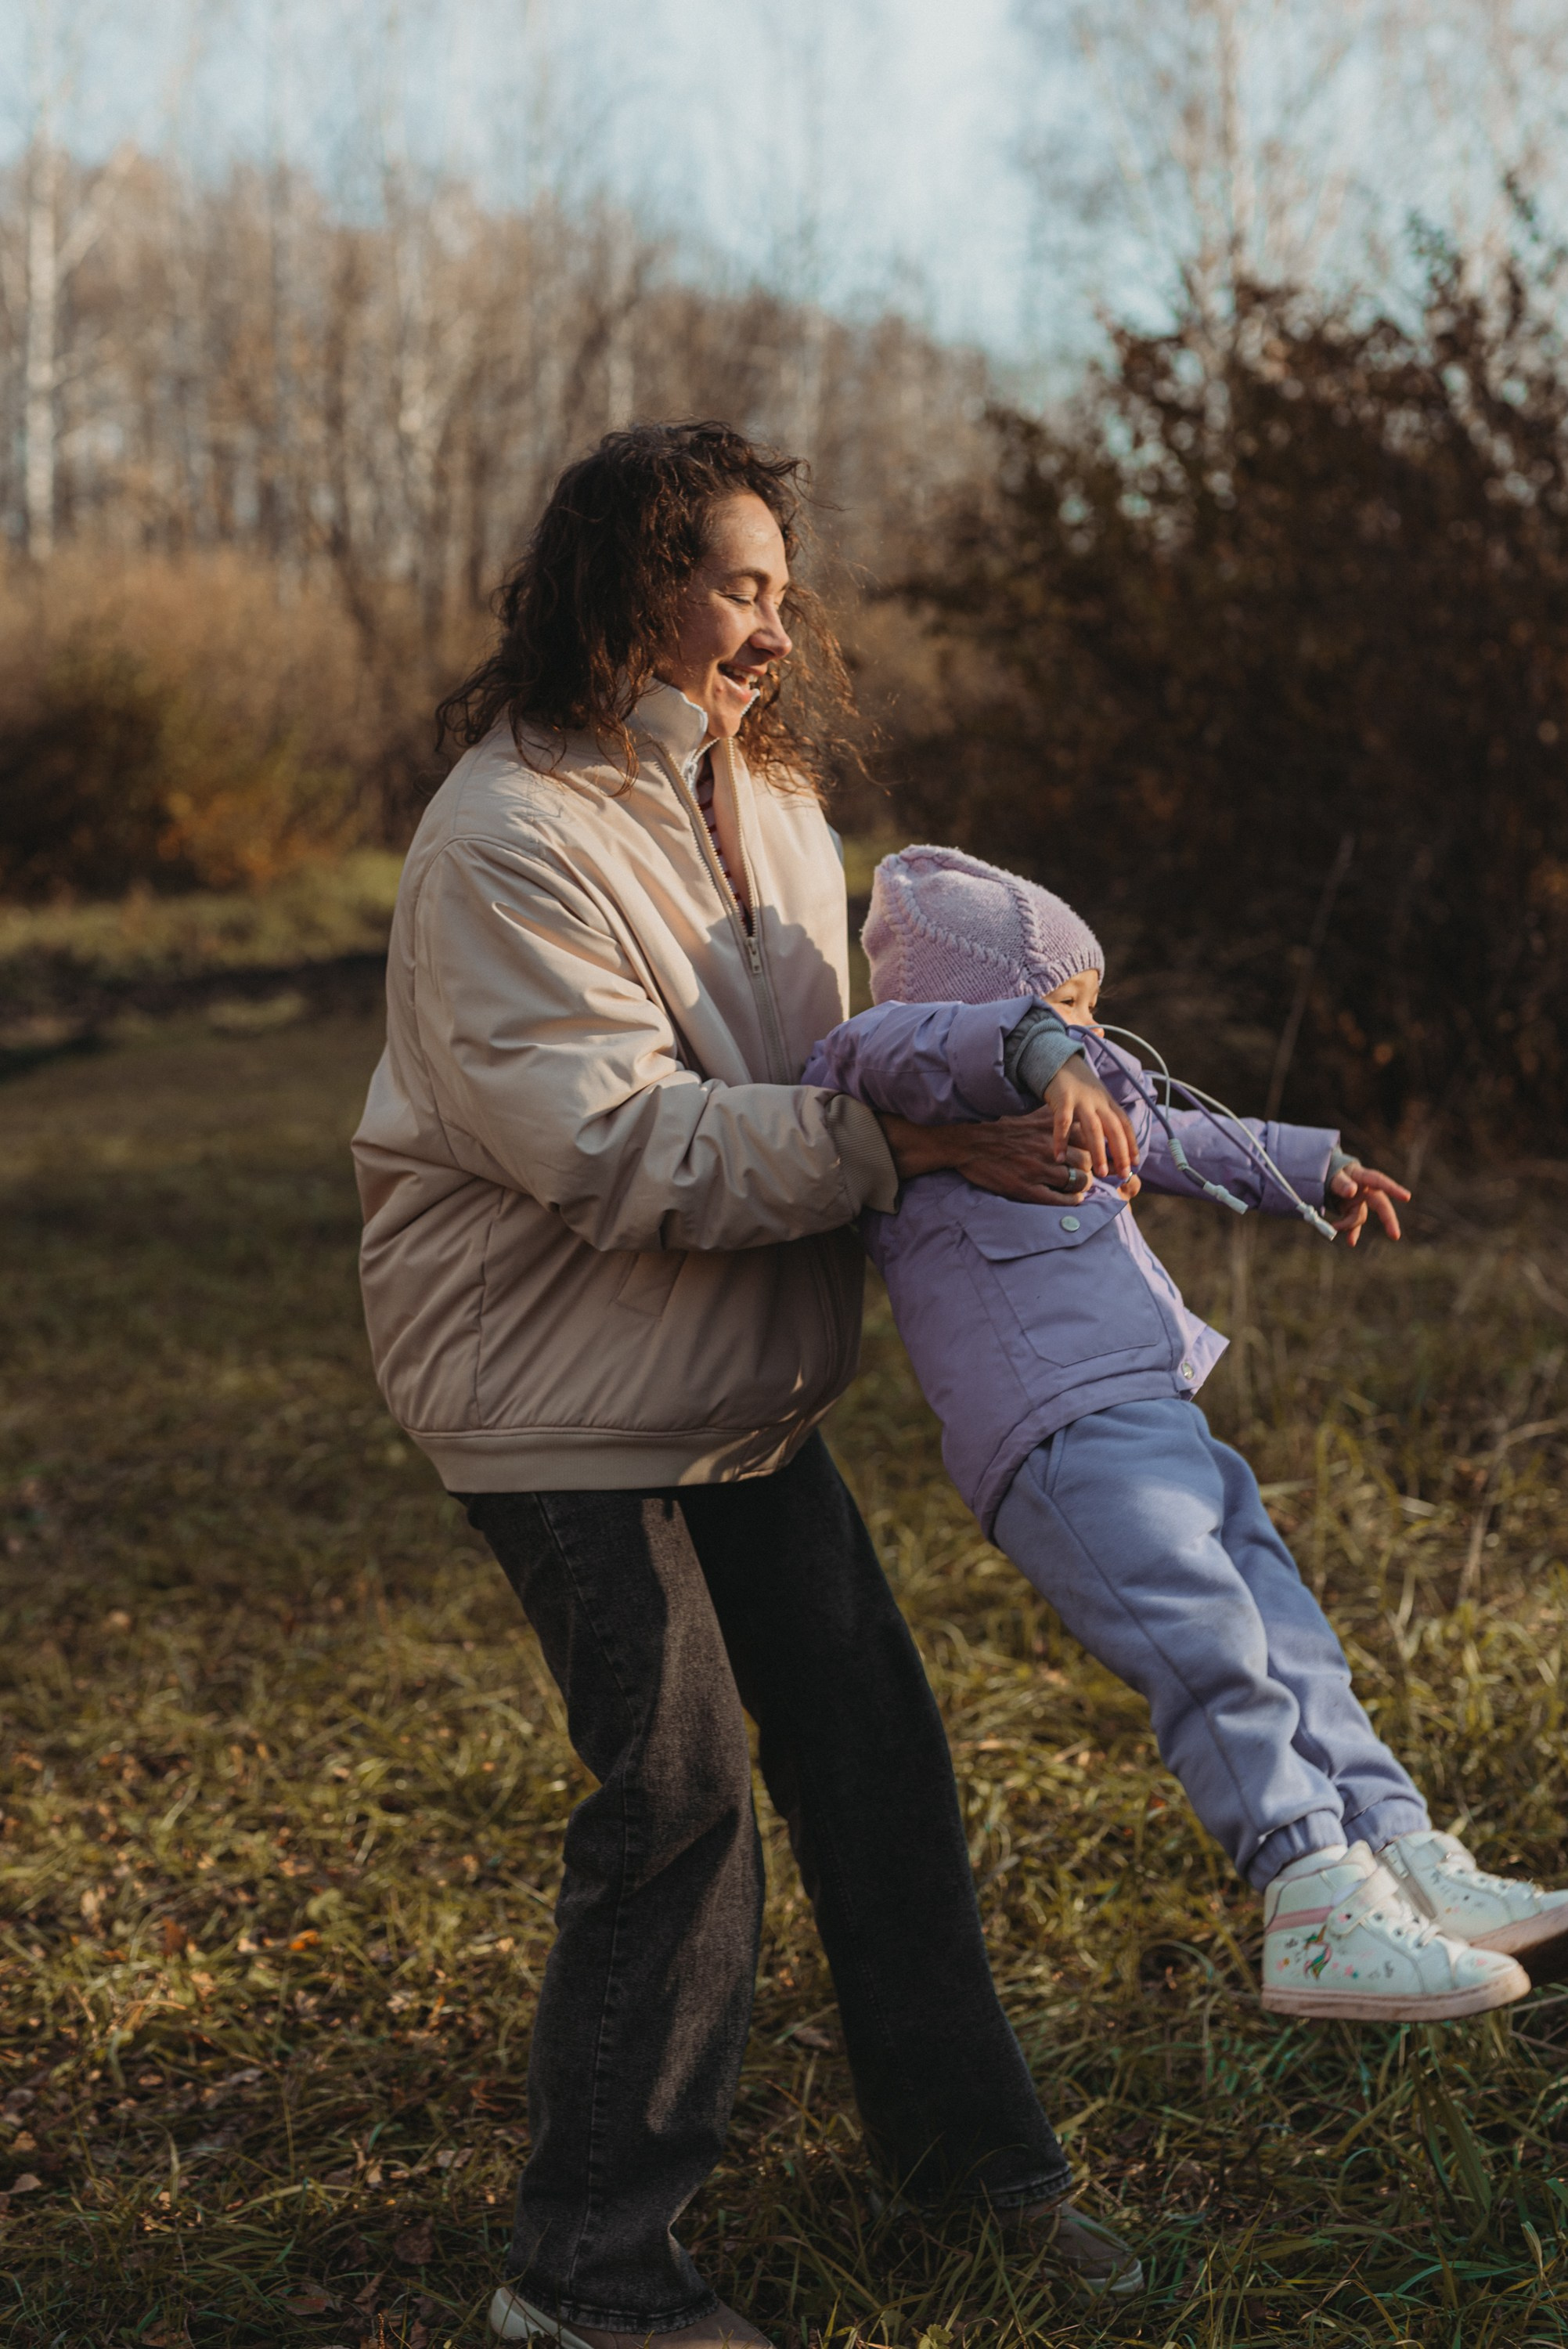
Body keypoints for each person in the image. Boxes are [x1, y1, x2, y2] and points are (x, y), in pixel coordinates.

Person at [351, 427, 1146, 2348]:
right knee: (683, 1779)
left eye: (787, 591)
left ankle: (985, 2182)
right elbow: (624, 1150)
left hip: (727, 1383)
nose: (775, 629)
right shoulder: (502, 837)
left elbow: (847, 1063)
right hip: (550, 1392)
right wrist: (912, 1160)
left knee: (869, 1739)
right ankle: (592, 2278)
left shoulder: (769, 799)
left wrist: (1015, 1070)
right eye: (739, 585)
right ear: (633, 587)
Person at [802, 843, 1568, 2022]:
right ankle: (1311, 1897)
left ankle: (1400, 1853)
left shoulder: (1075, 1087)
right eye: (1070, 1008)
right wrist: (1038, 1047)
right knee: (1210, 1650)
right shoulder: (892, 1063)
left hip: (1152, 1409)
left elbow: (1183, 1138)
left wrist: (1317, 1169)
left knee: (1289, 1634)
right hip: (1059, 1430)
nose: (1089, 1035)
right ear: (985, 1006)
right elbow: (929, 1043)